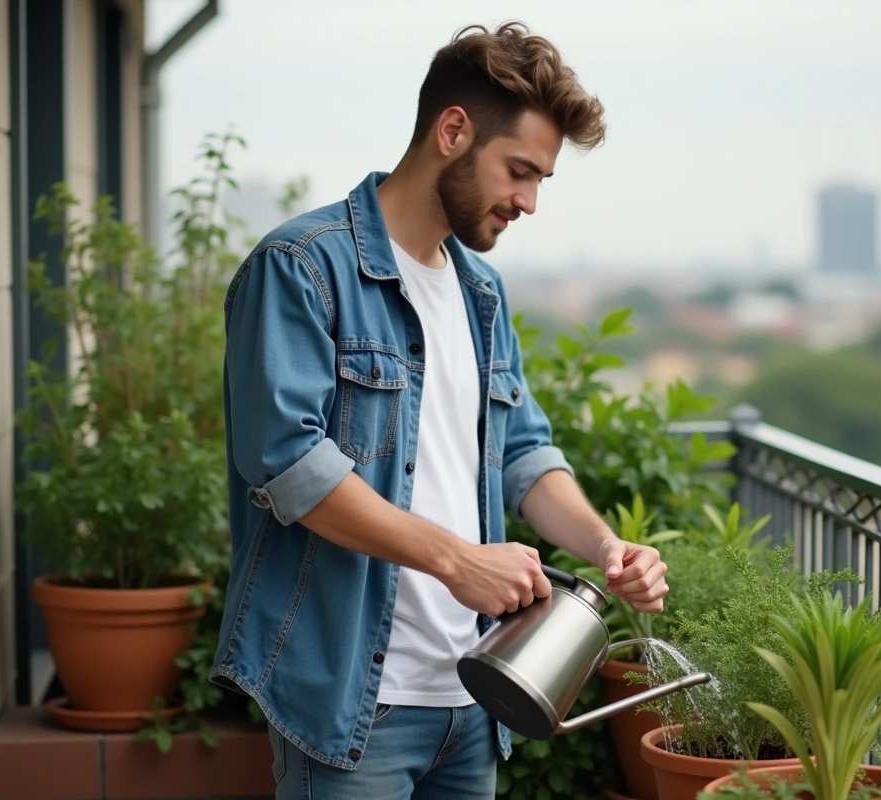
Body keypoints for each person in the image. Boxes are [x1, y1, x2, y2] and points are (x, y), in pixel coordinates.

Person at [210, 21, 671, 800]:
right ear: (452, 131)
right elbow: (290, 465)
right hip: (352, 706)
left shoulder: (480, 294)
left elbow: (523, 452)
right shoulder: (301, 268)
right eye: (518, 171)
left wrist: (605, 547)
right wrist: (459, 561)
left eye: (540, 182)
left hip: (474, 697)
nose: (527, 202)